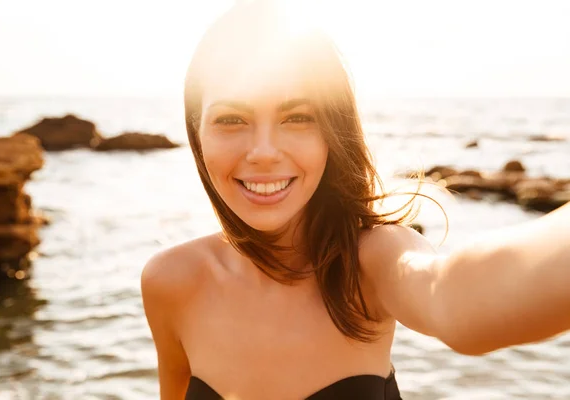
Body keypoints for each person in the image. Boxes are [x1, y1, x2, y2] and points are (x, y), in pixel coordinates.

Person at [141, 1, 570, 398]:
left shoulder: (370, 261)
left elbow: (453, 297)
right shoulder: (171, 282)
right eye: (232, 119)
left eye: (298, 117)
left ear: (332, 130)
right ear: (197, 134)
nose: (265, 151)